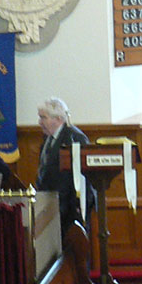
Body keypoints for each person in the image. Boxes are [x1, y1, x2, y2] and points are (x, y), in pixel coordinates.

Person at [36, 96, 96, 232]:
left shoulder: (74, 138)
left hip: (69, 207)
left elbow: (83, 177)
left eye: (43, 117)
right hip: (51, 204)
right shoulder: (47, 138)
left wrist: (78, 205)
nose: (40, 122)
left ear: (58, 119)